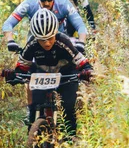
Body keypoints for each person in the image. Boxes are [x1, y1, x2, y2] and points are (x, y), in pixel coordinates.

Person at [12, 8, 93, 138]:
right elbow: (22, 66)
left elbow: (82, 62)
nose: (47, 43)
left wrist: (86, 71)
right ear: (36, 37)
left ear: (55, 33)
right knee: (34, 106)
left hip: (65, 74)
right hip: (42, 74)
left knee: (67, 108)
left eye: (50, 38)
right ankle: (32, 141)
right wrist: (14, 75)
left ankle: (69, 143)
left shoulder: (63, 41)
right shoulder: (32, 43)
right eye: (42, 40)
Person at [2, 0, 87, 54]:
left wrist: (81, 42)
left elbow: (80, 25)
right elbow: (8, 23)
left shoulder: (64, 4)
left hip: (59, 40)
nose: (46, 3)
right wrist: (10, 40)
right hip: (35, 40)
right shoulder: (29, 4)